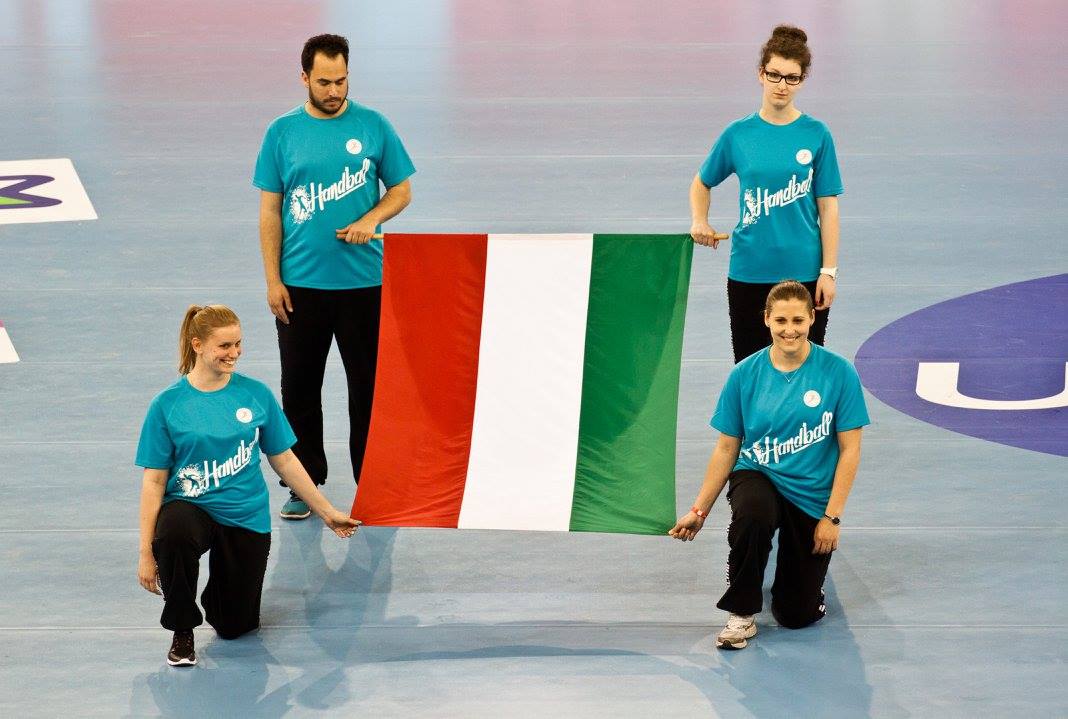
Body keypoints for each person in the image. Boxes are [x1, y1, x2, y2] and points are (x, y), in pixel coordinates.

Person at [136, 305, 360, 667]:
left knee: (235, 626)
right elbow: (154, 481)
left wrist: (326, 511)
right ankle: (182, 627)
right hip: (191, 506)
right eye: (225, 346)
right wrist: (146, 553)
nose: (235, 353)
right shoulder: (167, 405)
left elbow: (284, 459)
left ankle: (220, 595)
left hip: (245, 514)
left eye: (238, 344)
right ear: (197, 345)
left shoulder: (255, 394)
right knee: (174, 532)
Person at [253, 33, 415, 519]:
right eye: (324, 82)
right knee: (300, 390)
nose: (334, 90)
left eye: (341, 80)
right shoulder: (282, 132)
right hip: (301, 287)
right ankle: (304, 486)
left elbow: (401, 190)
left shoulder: (373, 125)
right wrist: (273, 280)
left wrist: (371, 218)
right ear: (304, 77)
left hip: (365, 285)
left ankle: (374, 482)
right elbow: (269, 211)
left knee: (370, 389)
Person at [669, 281, 869, 650]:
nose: (789, 329)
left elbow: (850, 450)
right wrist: (699, 511)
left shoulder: (839, 373)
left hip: (810, 492)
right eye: (781, 320)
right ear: (766, 320)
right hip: (758, 472)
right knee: (753, 515)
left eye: (798, 320)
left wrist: (833, 517)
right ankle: (741, 612)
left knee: (796, 616)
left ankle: (804, 586)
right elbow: (727, 447)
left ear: (811, 319)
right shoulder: (744, 375)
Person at [689, 25, 843, 364]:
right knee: (750, 368)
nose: (781, 85)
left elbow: (828, 208)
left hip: (804, 270)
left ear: (802, 80)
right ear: (761, 74)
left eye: (792, 77)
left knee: (805, 368)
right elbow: (702, 182)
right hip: (749, 269)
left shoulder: (817, 134)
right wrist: (700, 220)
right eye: (774, 75)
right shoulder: (738, 134)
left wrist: (828, 272)